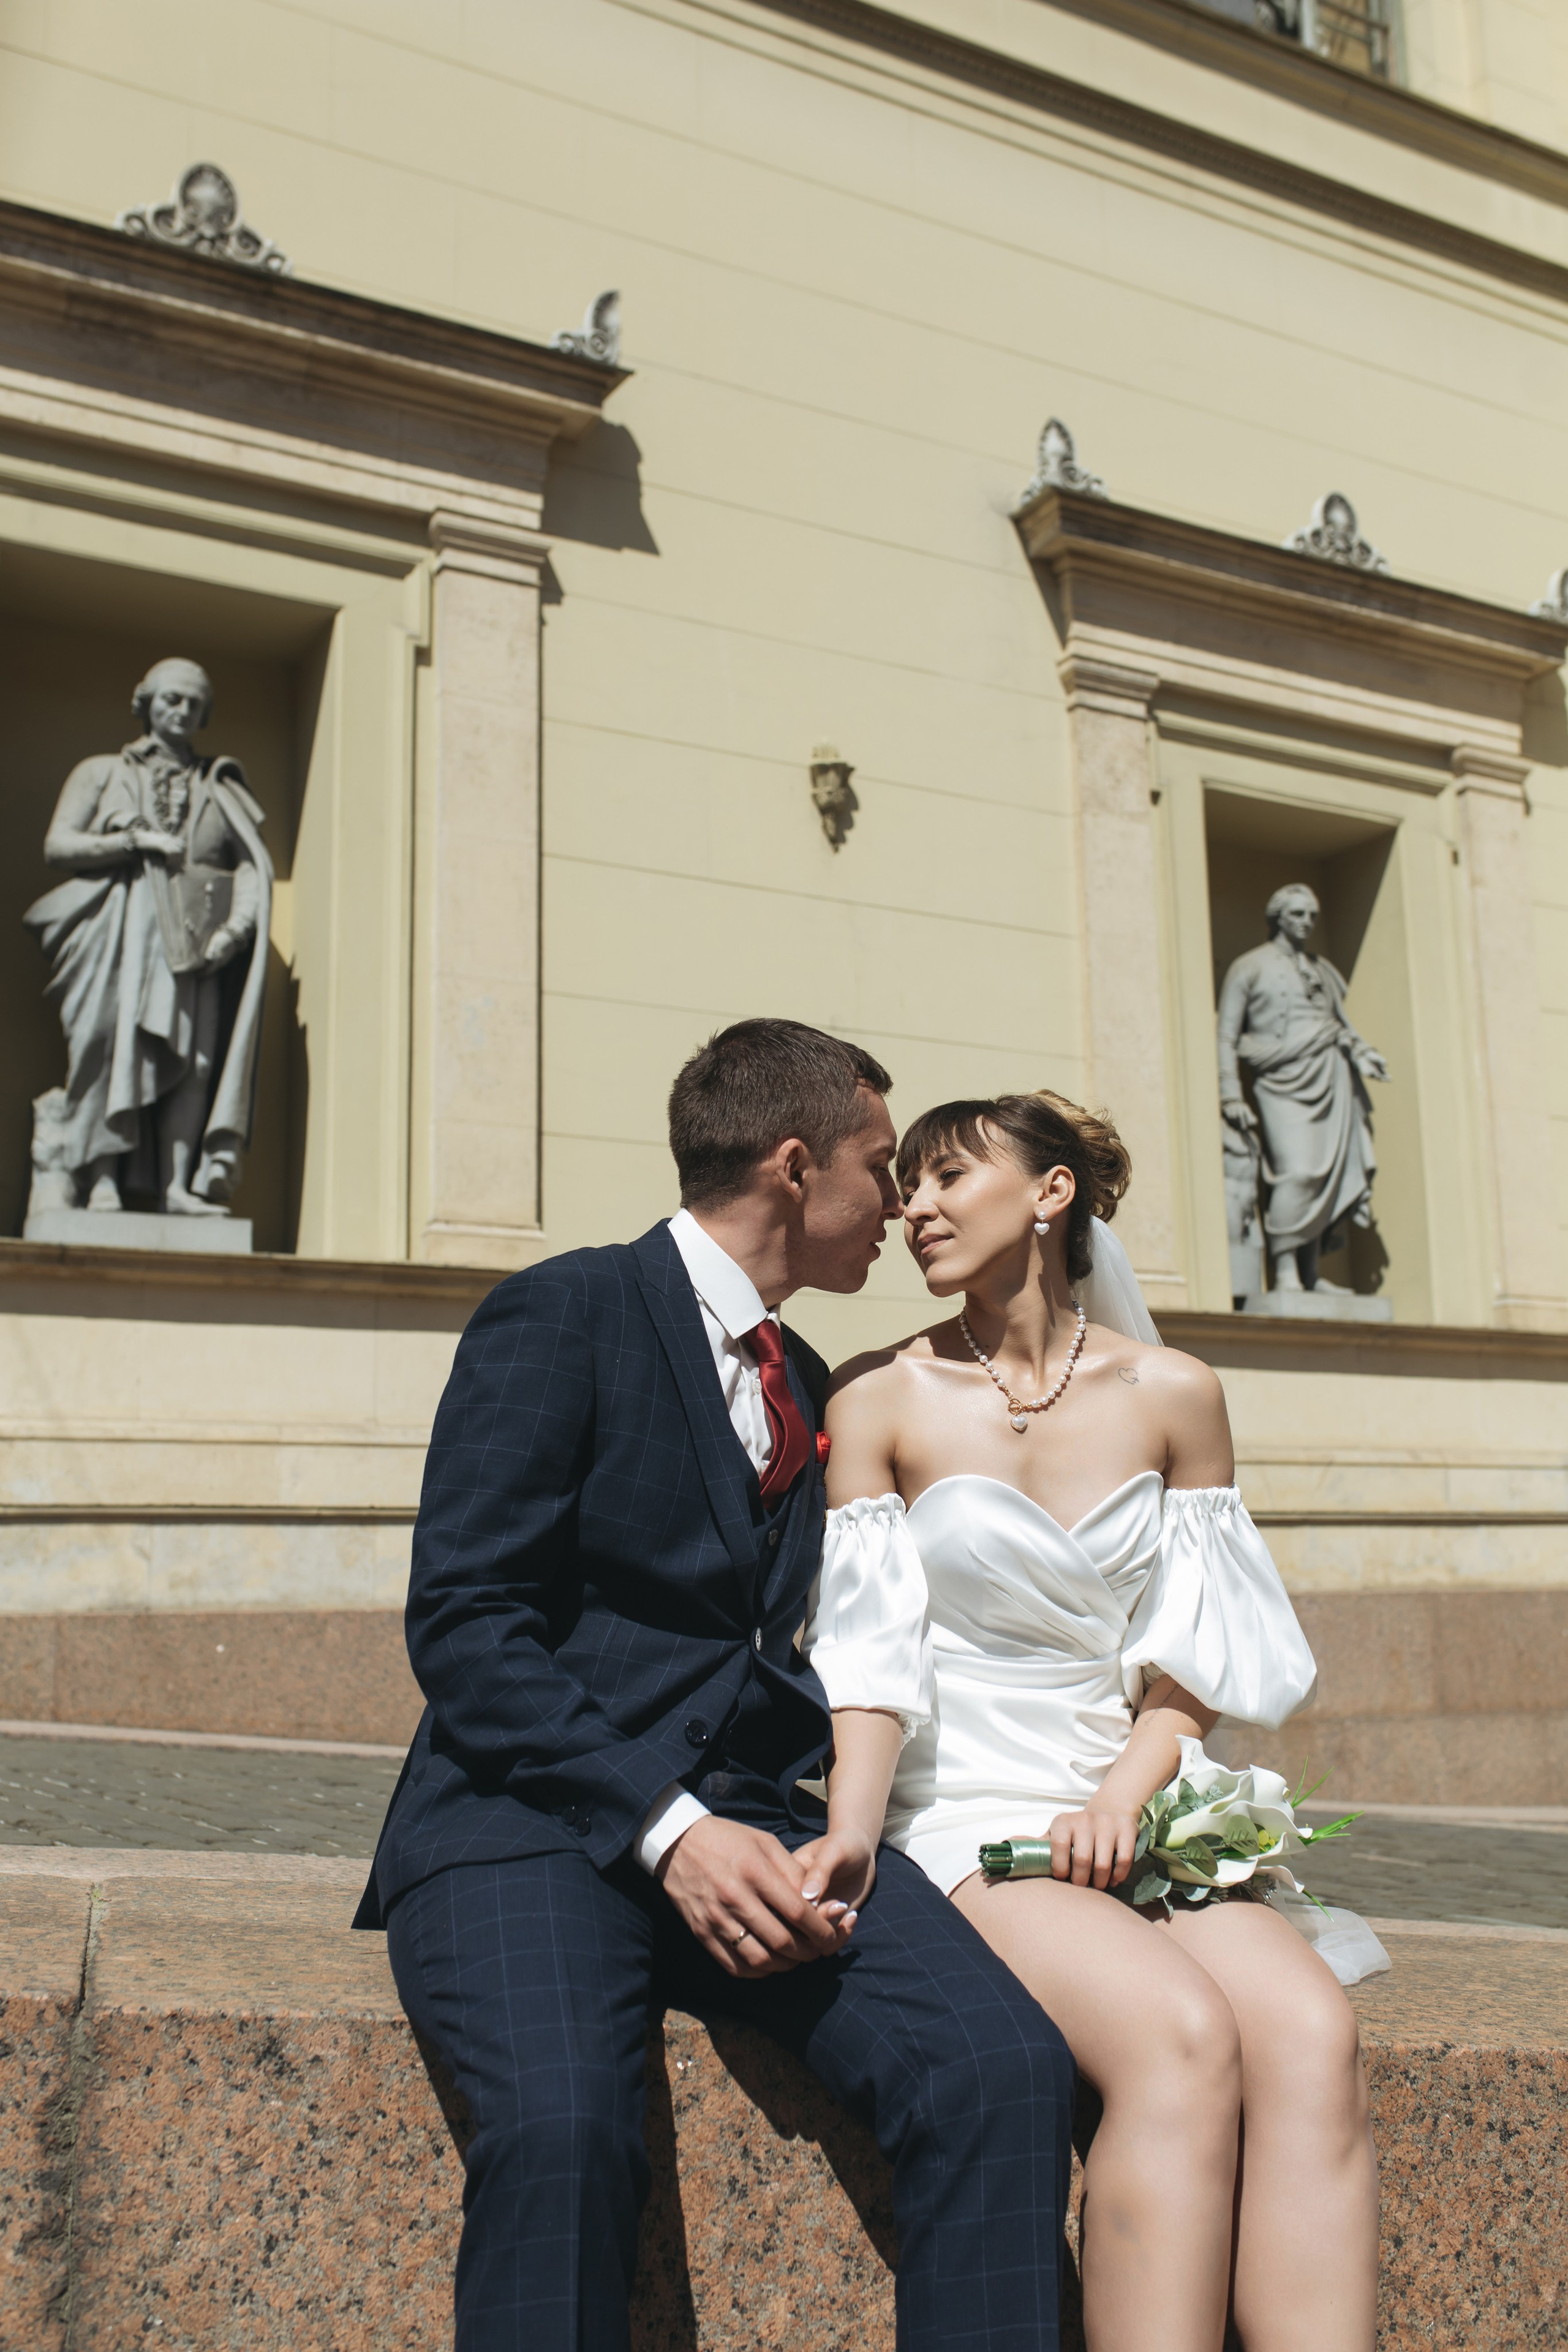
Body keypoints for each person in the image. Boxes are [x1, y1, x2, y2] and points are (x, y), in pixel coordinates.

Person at [355, 1022, 1077, 2352]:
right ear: (795, 1169)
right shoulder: (562, 1309)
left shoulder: (807, 1380)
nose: (900, 1207)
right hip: (526, 1825)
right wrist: (669, 1829)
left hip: (765, 1828)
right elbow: (464, 1626)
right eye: (878, 1167)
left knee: (1003, 2068)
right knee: (567, 2132)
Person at [800, 1088, 1381, 2352]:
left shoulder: (1174, 1393)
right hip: (968, 1811)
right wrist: (851, 1829)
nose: (914, 1208)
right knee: (1177, 2034)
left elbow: (1194, 1658)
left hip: (1130, 1796)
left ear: (1049, 1194)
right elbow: (866, 1652)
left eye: (949, 1177)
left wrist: (1125, 1792)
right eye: (905, 1185)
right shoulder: (877, 1398)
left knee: (1306, 2028)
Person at [23, 657, 271, 1216]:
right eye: (170, 699)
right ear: (145, 701)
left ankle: (176, 1188)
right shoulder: (101, 771)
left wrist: (236, 930)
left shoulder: (219, 784)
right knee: (111, 1045)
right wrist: (133, 843)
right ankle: (101, 1179)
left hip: (196, 940)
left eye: (193, 703)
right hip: (120, 933)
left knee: (197, 1061)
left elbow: (251, 864)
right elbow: (58, 845)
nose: (181, 711)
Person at [1216, 883, 1388, 1294]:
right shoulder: (1250, 966)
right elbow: (1226, 1035)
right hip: (1281, 1082)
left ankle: (1309, 1275)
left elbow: (1341, 1026)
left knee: (1326, 1173)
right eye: (1297, 914)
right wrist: (1230, 1094)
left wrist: (1364, 1053)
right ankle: (1286, 1271)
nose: (1307, 923)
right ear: (1278, 917)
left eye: (1312, 916)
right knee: (1297, 1172)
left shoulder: (1322, 969)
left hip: (1331, 1076)